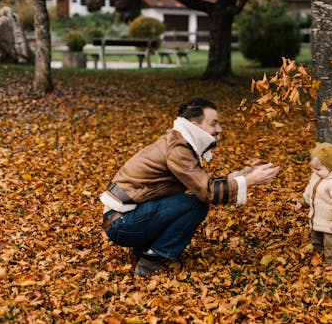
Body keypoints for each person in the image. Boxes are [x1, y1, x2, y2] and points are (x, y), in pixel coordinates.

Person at [100, 98, 280, 277]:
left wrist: (244, 175)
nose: (219, 129)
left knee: (192, 201)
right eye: (214, 123)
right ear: (195, 125)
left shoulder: (179, 142)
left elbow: (200, 183)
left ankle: (145, 249)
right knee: (197, 204)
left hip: (123, 220)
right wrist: (250, 181)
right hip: (122, 225)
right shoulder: (178, 149)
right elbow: (207, 192)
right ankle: (152, 259)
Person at [294, 142, 332, 267]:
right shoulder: (318, 177)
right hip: (318, 219)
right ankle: (319, 257)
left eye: (319, 169)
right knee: (316, 240)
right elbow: (310, 192)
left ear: (331, 167)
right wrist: (302, 202)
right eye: (314, 169)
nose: (315, 172)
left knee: (331, 245)